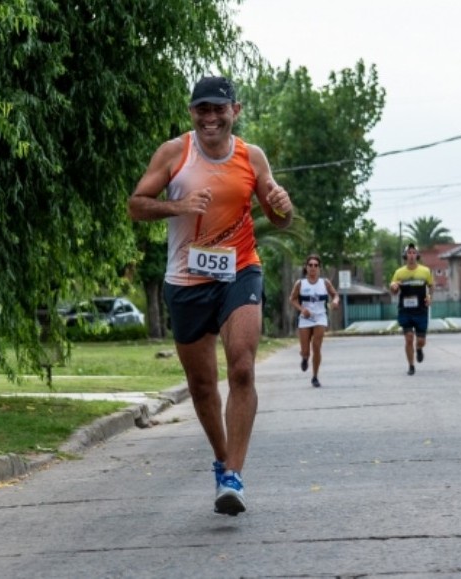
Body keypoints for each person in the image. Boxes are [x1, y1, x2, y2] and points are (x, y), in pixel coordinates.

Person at [127, 76, 293, 516]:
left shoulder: (251, 156)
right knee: (202, 386)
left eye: (219, 108)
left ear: (235, 111)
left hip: (240, 269)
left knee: (241, 368)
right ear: (192, 113)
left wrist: (284, 204)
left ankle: (234, 476)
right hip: (185, 280)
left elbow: (278, 219)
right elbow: (136, 204)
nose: (211, 117)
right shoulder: (174, 153)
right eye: (203, 109)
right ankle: (222, 462)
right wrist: (177, 206)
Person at [289, 254, 340, 388]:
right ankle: (305, 358)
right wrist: (301, 309)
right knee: (305, 350)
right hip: (305, 318)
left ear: (319, 268)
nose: (313, 268)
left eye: (315, 265)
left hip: (320, 317)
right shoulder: (300, 283)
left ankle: (315, 376)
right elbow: (292, 299)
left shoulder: (325, 283)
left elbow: (335, 295)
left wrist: (335, 301)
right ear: (306, 268)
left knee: (316, 347)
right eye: (310, 265)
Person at [389, 243, 433, 375]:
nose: (412, 255)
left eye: (414, 253)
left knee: (420, 340)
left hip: (421, 310)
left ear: (417, 255)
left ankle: (419, 349)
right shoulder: (399, 273)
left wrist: (429, 297)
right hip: (405, 310)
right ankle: (411, 365)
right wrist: (394, 287)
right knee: (408, 338)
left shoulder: (425, 271)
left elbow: (431, 286)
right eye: (409, 253)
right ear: (405, 256)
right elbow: (393, 290)